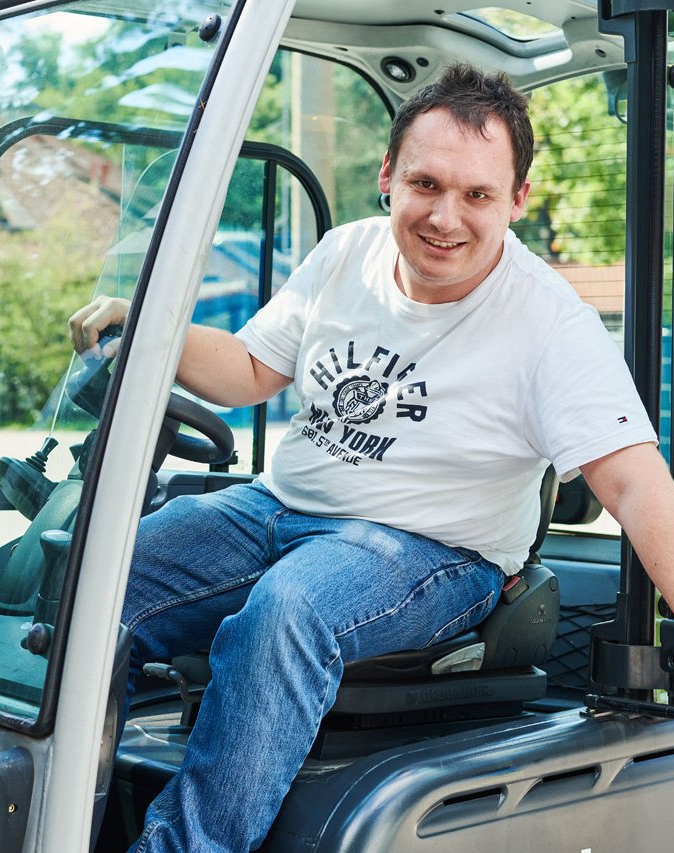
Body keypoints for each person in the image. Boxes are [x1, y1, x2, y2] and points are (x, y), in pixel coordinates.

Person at [69, 64, 674, 852]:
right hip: (274, 510)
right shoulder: (344, 253)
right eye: (424, 183)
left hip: (432, 554)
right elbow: (250, 370)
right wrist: (152, 326)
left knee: (289, 610)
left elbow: (631, 479)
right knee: (105, 566)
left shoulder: (549, 324)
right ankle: (56, 811)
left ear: (516, 200)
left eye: (477, 195)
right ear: (387, 175)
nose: (445, 217)